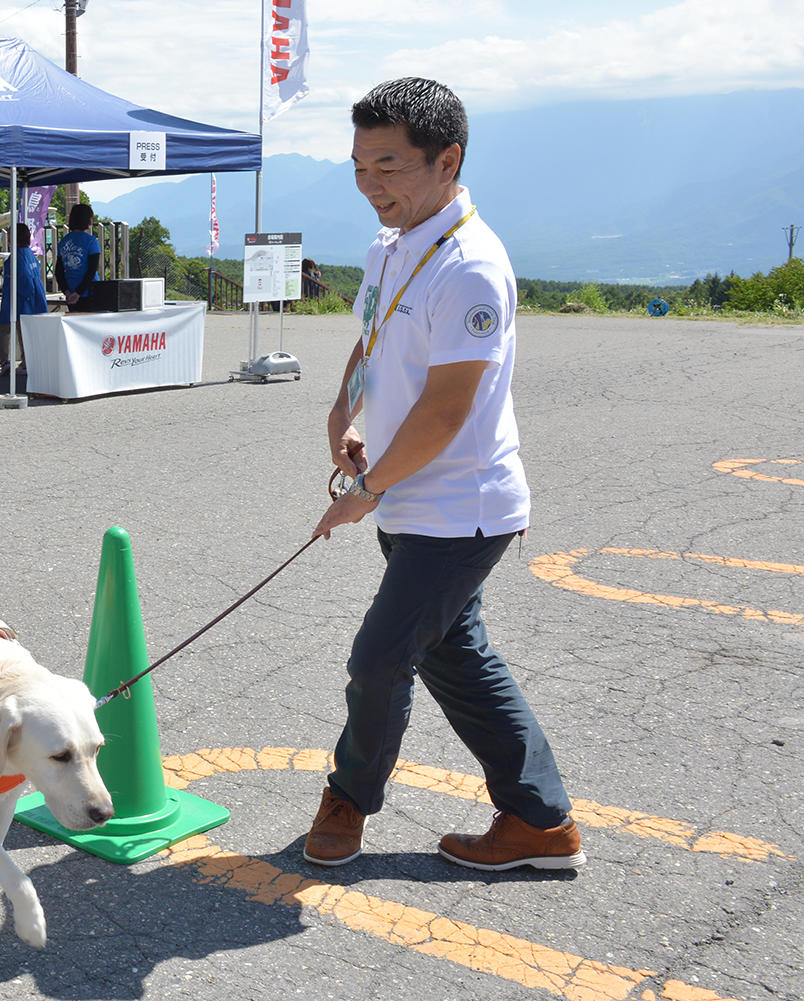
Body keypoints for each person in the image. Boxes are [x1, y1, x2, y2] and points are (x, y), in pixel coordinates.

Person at [305, 77, 583, 873]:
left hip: (460, 511)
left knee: (380, 656)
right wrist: (342, 412)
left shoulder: (471, 267)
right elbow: (372, 340)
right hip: (408, 500)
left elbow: (445, 410)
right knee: (456, 654)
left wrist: (366, 492)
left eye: (388, 166)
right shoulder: (390, 248)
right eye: (360, 166)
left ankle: (348, 801)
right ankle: (540, 820)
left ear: (446, 158)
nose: (371, 186)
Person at [0, 222, 48, 374]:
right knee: (24, 331)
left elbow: (23, 279)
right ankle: (26, 361)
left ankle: (7, 362)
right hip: (32, 299)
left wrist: (25, 294)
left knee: (5, 328)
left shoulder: (16, 256)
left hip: (18, 300)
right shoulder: (29, 254)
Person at [54, 203, 100, 311]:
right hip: (90, 292)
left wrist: (67, 292)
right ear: (87, 220)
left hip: (70, 291)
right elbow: (91, 271)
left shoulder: (63, 241)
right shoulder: (91, 241)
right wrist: (79, 292)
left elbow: (58, 272)